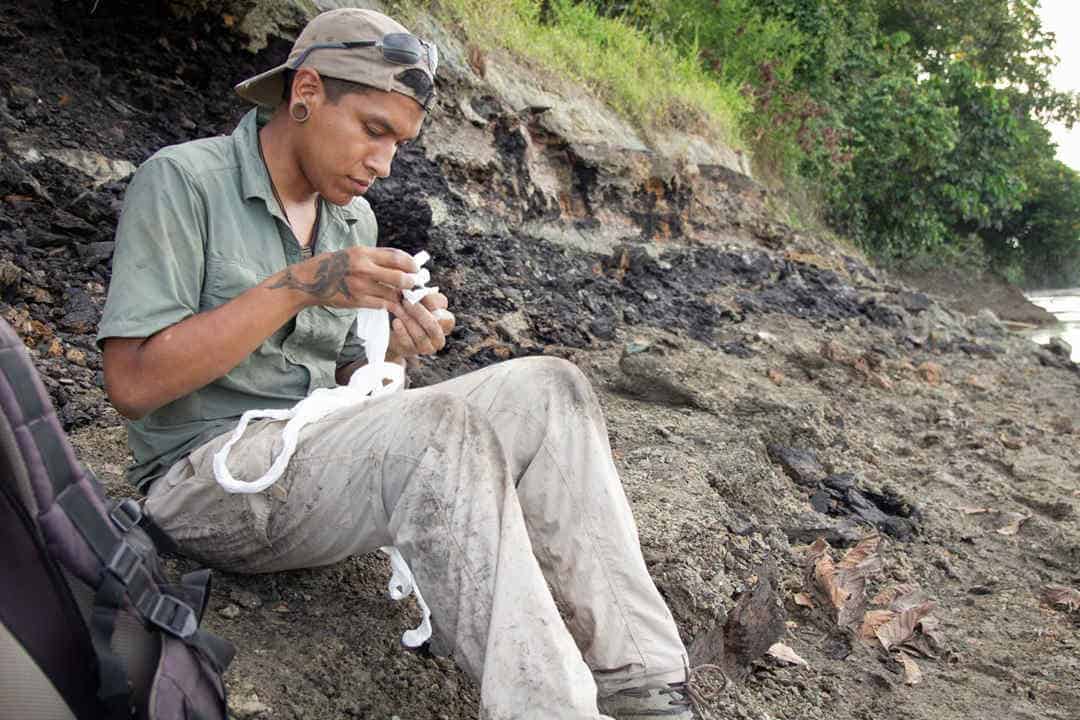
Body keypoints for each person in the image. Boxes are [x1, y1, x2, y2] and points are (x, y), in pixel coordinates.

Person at [97, 8, 694, 719]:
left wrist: (395, 349)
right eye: (374, 130)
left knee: (550, 387)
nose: (383, 164)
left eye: (399, 144)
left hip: (314, 464)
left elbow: (350, 381)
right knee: (439, 426)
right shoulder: (183, 181)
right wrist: (303, 284)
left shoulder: (354, 220)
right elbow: (131, 385)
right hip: (203, 481)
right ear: (307, 92)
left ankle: (646, 688)